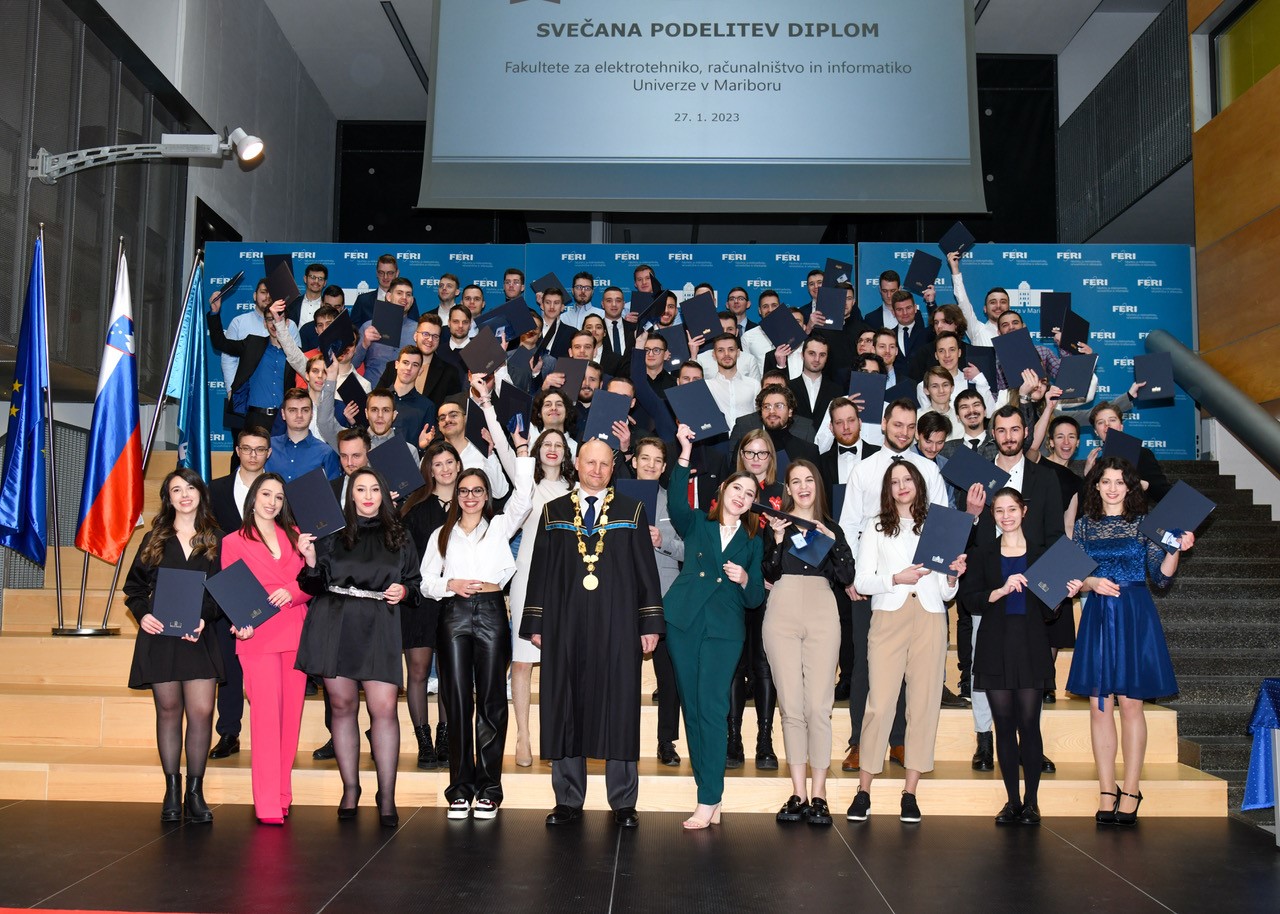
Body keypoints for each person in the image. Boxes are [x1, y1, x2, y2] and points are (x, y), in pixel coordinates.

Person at [521, 438, 665, 828]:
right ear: (578, 464)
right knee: (565, 704)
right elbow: (540, 570)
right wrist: (536, 622)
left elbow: (645, 571)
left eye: (604, 464)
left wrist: (650, 623)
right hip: (564, 623)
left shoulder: (631, 510)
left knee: (619, 705)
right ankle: (568, 799)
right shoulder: (553, 512)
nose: (597, 470)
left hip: (618, 624)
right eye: (590, 463)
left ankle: (623, 801)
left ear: (612, 468)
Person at [1067, 457, 1193, 826]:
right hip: (1098, 614)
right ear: (1095, 485)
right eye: (1105, 481)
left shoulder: (1144, 524)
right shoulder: (1084, 526)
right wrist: (1091, 583)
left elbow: (1161, 578)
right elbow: (1073, 578)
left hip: (1134, 613)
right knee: (1099, 707)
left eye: (1119, 482)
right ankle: (1107, 790)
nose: (1112, 488)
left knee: (1131, 705)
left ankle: (1132, 790)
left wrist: (1174, 550)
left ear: (1129, 487)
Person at [295, 467, 422, 828]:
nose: (368, 496)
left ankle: (387, 795)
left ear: (384, 494)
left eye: (374, 489)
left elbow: (415, 585)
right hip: (334, 622)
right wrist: (309, 560)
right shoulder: (331, 534)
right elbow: (313, 586)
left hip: (379, 624)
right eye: (360, 489)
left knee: (384, 708)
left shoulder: (400, 534)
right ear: (350, 494)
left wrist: (404, 591)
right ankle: (350, 789)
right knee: (342, 706)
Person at [847, 461, 965, 824]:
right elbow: (861, 581)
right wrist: (896, 578)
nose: (902, 486)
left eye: (907, 479)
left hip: (930, 617)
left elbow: (946, 591)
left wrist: (953, 576)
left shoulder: (939, 526)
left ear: (919, 484)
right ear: (888, 489)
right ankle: (863, 791)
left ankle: (910, 792)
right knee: (880, 705)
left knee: (923, 705)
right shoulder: (875, 526)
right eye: (895, 481)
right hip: (888, 618)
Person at [662, 424, 766, 829]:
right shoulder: (697, 524)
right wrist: (684, 452)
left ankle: (709, 797)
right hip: (685, 621)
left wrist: (746, 578)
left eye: (750, 494)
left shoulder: (753, 540)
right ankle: (709, 793)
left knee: (713, 707)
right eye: (737, 488)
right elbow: (675, 501)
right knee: (692, 707)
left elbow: (755, 598)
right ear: (723, 489)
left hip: (724, 630)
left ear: (754, 503)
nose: (742, 496)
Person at [421, 454, 534, 819]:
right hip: (453, 614)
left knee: (491, 701)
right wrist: (449, 584)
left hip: (491, 612)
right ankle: (459, 789)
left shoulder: (499, 526)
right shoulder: (441, 535)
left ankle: (488, 790)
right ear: (456, 495)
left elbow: (524, 498)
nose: (470, 496)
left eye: (477, 491)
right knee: (456, 701)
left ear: (487, 496)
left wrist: (522, 454)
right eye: (464, 491)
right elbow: (425, 582)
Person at [961, 489, 1083, 826]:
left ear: (1023, 512)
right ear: (993, 515)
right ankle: (1012, 802)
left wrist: (1063, 595)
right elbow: (970, 600)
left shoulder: (1044, 555)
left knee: (1029, 726)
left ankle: (1032, 802)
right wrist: (999, 591)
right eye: (999, 510)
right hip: (994, 644)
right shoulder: (983, 553)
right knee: (1003, 727)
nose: (1006, 516)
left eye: (1012, 509)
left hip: (1030, 643)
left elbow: (1048, 613)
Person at [122, 469, 225, 823]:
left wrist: (204, 618)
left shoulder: (217, 539)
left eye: (190, 488)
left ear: (201, 494)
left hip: (199, 637)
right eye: (176, 490)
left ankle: (195, 792)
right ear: (168, 498)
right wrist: (143, 616)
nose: (184, 495)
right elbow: (134, 589)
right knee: (168, 712)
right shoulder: (154, 538)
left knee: (201, 712)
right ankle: (171, 790)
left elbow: (223, 591)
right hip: (160, 638)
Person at [762, 460, 855, 827]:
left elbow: (847, 576)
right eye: (795, 481)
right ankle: (798, 793)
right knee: (791, 707)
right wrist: (778, 540)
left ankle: (820, 794)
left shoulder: (831, 528)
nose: (802, 487)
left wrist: (833, 543)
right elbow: (769, 573)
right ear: (787, 488)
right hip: (782, 609)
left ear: (817, 485)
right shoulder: (777, 525)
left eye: (808, 480)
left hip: (821, 610)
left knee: (818, 706)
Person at [221, 473, 313, 825]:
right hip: (257, 636)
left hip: (295, 631)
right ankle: (267, 803)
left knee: (290, 719)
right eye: (266, 494)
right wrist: (239, 621)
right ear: (253, 498)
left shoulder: (297, 536)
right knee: (265, 720)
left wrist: (293, 591)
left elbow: (311, 582)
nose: (272, 502)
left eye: (278, 496)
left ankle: (283, 795)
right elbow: (233, 589)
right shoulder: (233, 541)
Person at [485, 402, 572, 769]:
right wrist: (488, 406)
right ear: (537, 451)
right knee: (522, 660)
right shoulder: (526, 485)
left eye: (558, 445)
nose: (552, 449)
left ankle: (555, 737)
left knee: (558, 664)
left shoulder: (576, 489)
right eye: (546, 444)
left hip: (566, 582)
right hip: (527, 577)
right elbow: (507, 453)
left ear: (567, 453)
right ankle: (523, 735)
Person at [207, 426, 272, 759]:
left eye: (259, 449)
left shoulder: (277, 490)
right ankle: (229, 732)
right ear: (237, 450)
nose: (253, 455)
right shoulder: (215, 489)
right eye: (247, 448)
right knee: (230, 666)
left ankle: (269, 734)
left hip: (269, 588)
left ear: (268, 453)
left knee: (267, 669)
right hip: (229, 587)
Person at [398, 440, 461, 767]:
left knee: (450, 673)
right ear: (429, 470)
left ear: (458, 465)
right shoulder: (415, 508)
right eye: (438, 464)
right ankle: (423, 742)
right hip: (420, 600)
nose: (445, 469)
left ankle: (444, 739)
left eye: (450, 462)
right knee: (419, 671)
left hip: (456, 600)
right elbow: (404, 557)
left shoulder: (471, 502)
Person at [727, 428, 782, 770]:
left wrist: (770, 572)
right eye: (750, 453)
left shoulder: (782, 493)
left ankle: (765, 740)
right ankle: (733, 739)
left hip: (768, 588)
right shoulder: (730, 490)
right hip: (732, 588)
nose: (756, 459)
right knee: (733, 662)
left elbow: (789, 541)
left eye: (763, 453)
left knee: (763, 664)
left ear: (771, 457)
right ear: (741, 456)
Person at [631, 437, 685, 766]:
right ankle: (620, 738)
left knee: (668, 674)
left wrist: (663, 539)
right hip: (624, 597)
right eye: (645, 458)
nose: (650, 465)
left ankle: (667, 741)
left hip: (665, 596)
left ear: (664, 467)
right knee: (622, 674)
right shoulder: (614, 500)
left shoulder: (674, 503)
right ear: (634, 461)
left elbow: (688, 549)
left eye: (657, 460)